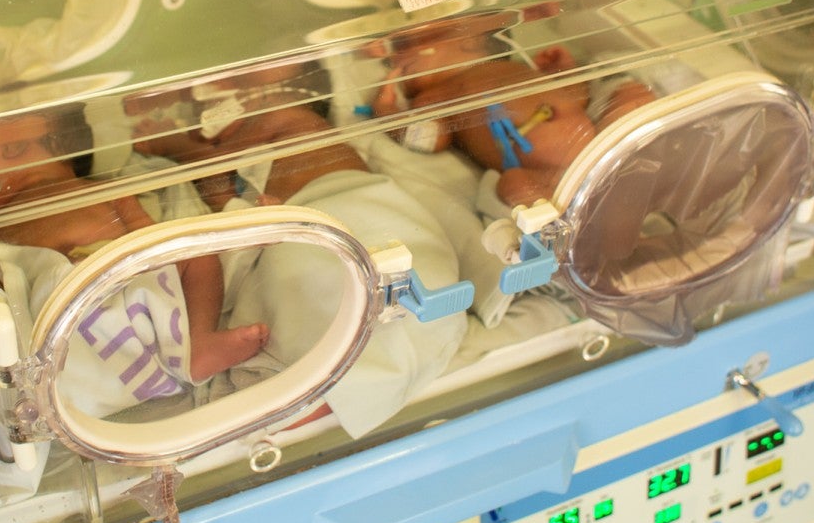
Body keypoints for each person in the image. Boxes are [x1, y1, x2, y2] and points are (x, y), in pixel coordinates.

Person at [129, 60, 468, 438]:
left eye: (244, 87)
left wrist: (176, 143)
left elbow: (214, 159)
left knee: (370, 290)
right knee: (320, 291)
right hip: (301, 216)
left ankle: (339, 381)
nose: (233, 96)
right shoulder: (266, 146)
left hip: (350, 207)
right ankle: (334, 382)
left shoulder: (292, 118)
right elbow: (221, 190)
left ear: (298, 90)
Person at [0, 110, 268, 384]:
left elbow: (145, 234)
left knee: (195, 253)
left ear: (17, 147)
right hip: (57, 311)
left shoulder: (101, 191)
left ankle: (197, 341)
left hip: (123, 278)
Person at [371, 30, 657, 209]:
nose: (398, 58)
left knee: (633, 94)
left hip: (599, 140)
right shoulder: (433, 98)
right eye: (395, 56)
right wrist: (389, 115)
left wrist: (564, 71)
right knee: (514, 186)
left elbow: (576, 94)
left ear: (470, 40)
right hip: (555, 175)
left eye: (408, 43)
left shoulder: (509, 66)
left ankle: (639, 168)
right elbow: (433, 138)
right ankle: (584, 204)